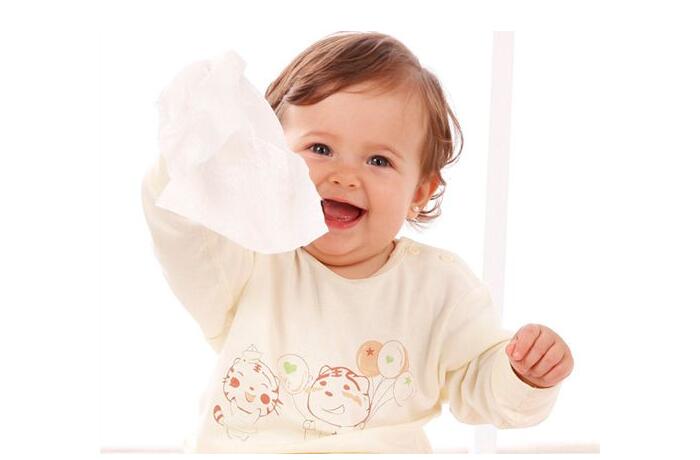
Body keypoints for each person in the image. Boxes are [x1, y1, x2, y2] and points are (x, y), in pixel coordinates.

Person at [141, 31, 574, 453]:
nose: (346, 176)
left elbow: (478, 377)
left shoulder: (439, 287)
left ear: (419, 191)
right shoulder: (252, 259)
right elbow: (186, 235)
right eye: (320, 149)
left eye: (378, 160)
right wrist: (187, 162)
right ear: (271, 159)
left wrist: (523, 373)